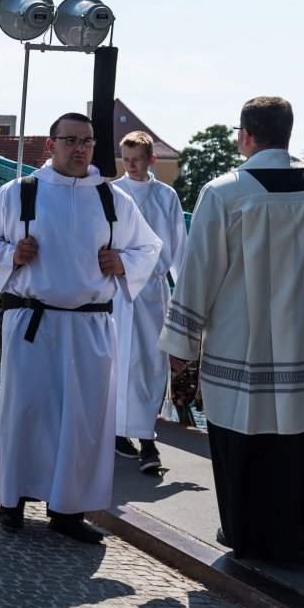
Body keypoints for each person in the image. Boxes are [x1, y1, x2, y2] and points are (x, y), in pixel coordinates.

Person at [161, 96, 304, 563]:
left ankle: (252, 534)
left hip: (244, 347)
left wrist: (182, 342)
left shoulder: (224, 193)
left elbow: (198, 273)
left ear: (246, 136)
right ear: (288, 134)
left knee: (247, 437)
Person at [0, 112, 161, 543]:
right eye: (70, 140)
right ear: (50, 144)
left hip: (91, 324)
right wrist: (11, 254)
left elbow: (149, 247)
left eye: (87, 141)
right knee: (26, 411)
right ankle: (13, 499)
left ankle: (69, 508)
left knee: (83, 419)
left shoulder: (112, 199)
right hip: (32, 320)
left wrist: (122, 262)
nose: (80, 148)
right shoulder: (21, 192)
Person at [110, 131, 187, 474]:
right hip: (118, 290)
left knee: (150, 365)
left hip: (153, 293)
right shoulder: (111, 193)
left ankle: (146, 438)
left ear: (151, 159)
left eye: (137, 160)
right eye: (126, 159)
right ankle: (123, 435)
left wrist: (186, 300)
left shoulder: (166, 196)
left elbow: (179, 249)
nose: (130, 166)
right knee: (117, 364)